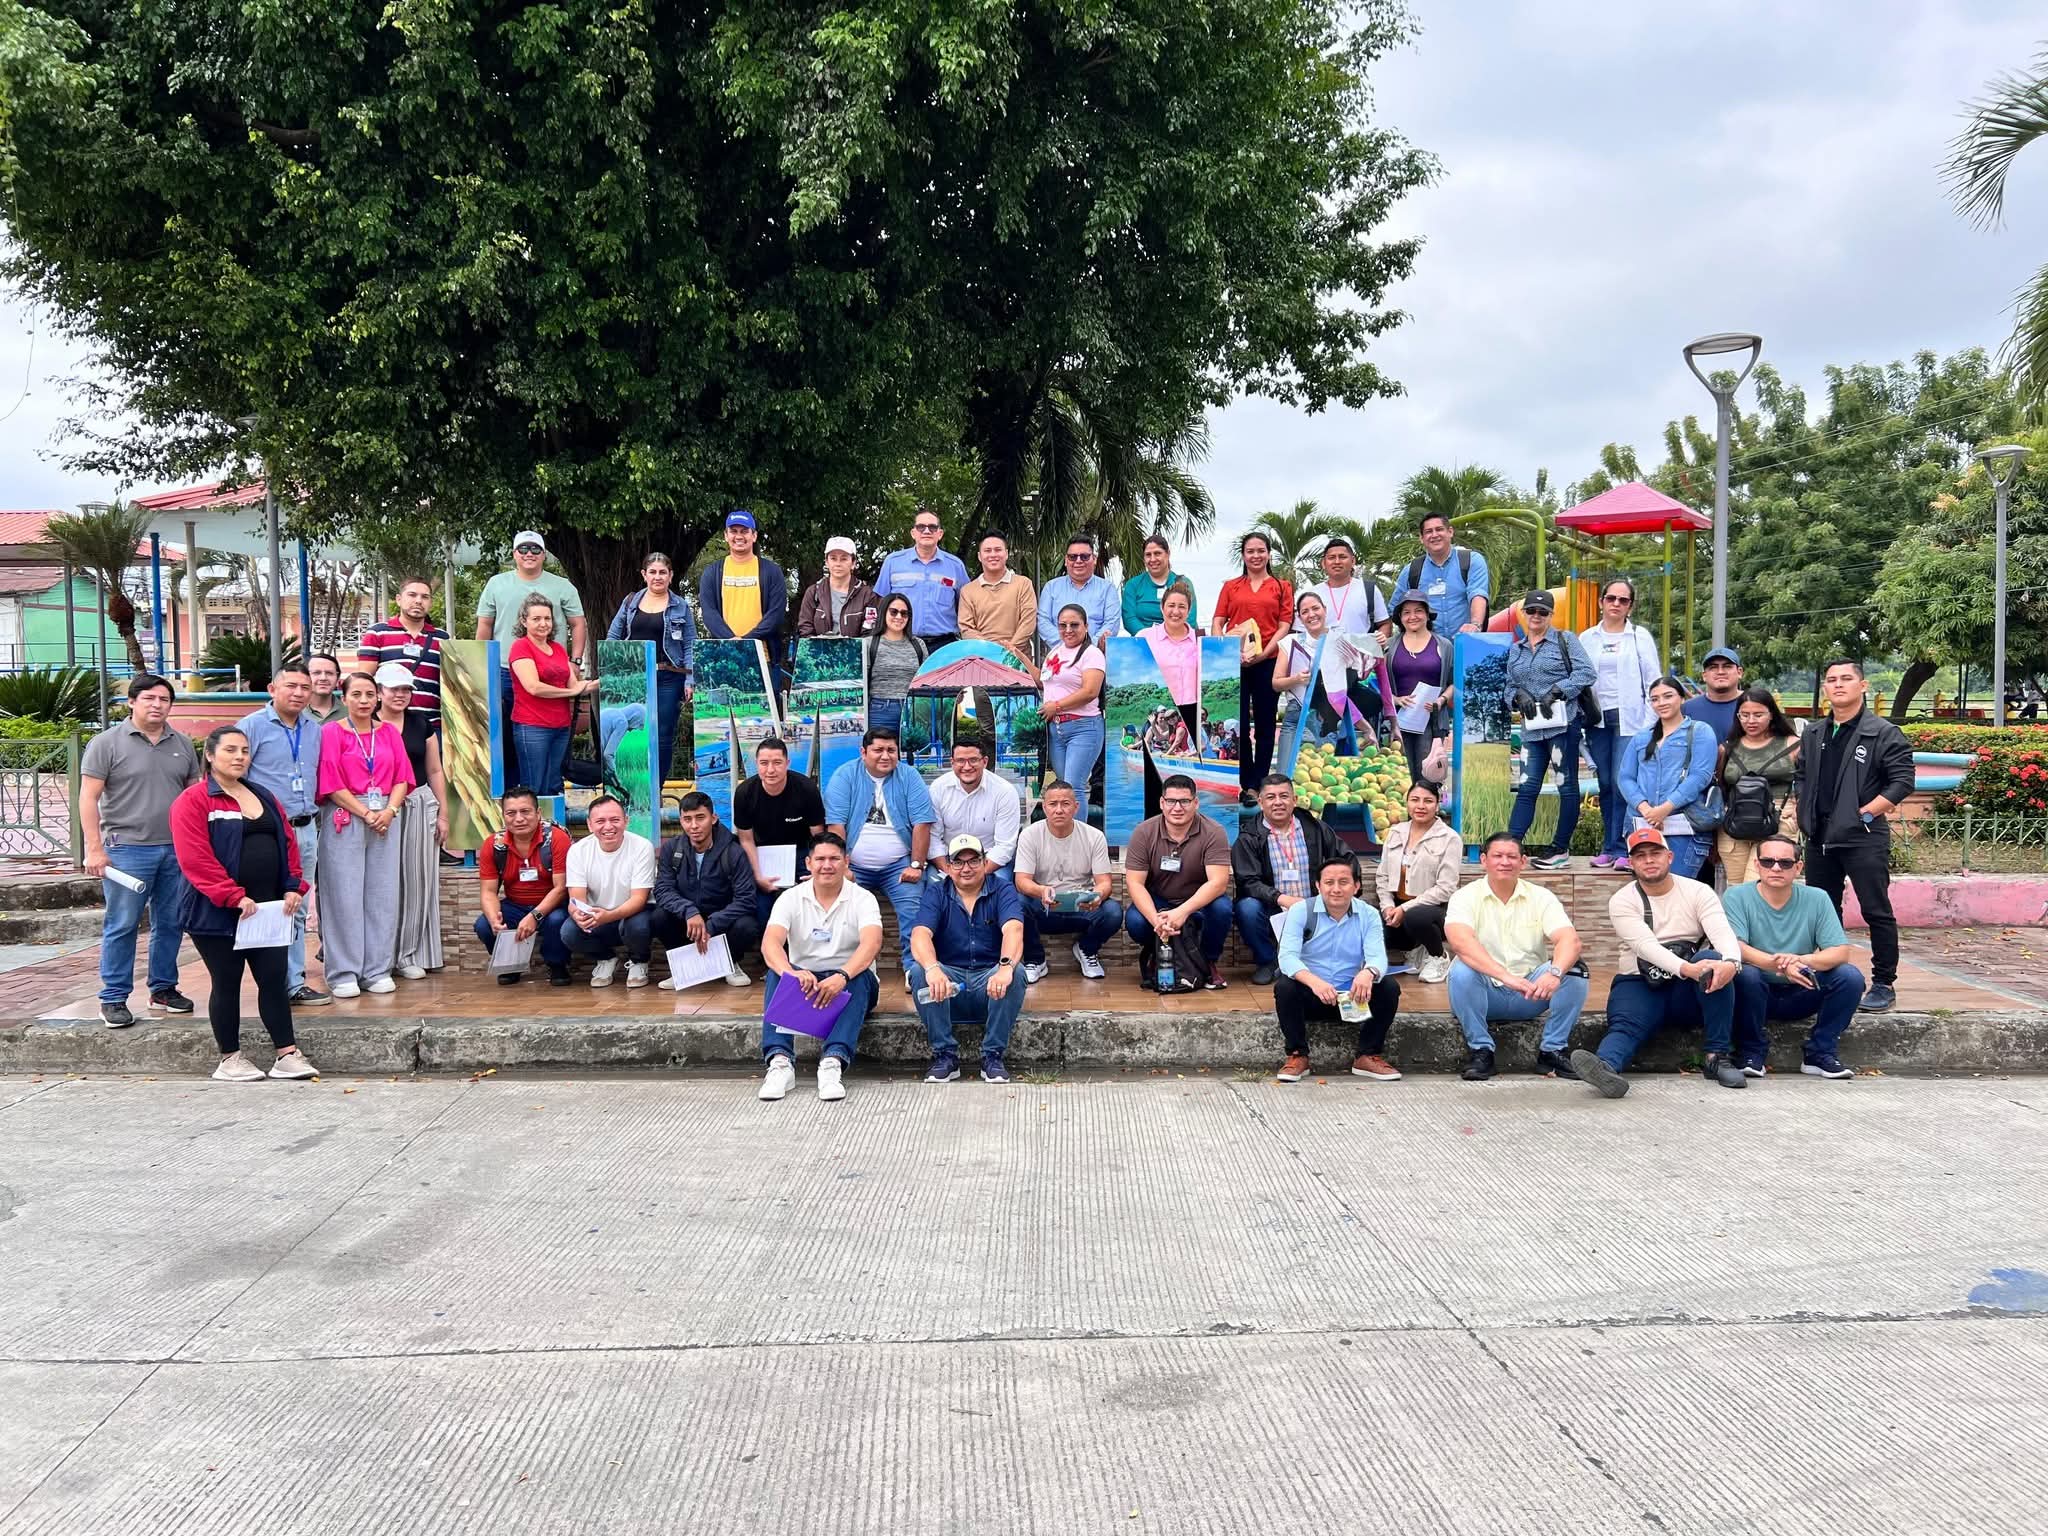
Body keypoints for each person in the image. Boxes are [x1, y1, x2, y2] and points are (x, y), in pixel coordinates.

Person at [168, 726, 317, 1082]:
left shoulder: (263, 795)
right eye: (230, 750)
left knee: (274, 979)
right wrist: (232, 895)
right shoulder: (193, 800)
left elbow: (287, 842)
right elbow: (195, 858)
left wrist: (293, 886)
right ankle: (230, 1058)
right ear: (210, 755)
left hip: (267, 911)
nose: (239, 757)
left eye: (245, 751)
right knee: (227, 981)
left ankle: (287, 1055)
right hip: (216, 912)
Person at [1569, 826, 1746, 1098]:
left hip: (1688, 987)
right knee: (1626, 1025)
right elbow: (1645, 946)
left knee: (1712, 961)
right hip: (1640, 981)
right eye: (1640, 856)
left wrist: (1732, 962)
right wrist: (1687, 969)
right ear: (1631, 863)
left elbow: (1721, 932)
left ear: (1670, 857)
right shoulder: (1622, 900)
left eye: (1655, 853)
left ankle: (1717, 1057)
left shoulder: (1698, 891)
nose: (1649, 860)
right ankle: (1605, 1068)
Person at [1795, 656, 1915, 1014]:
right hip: (1820, 837)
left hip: (1863, 836)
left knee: (1876, 910)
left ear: (1863, 685)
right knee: (1823, 910)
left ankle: (1883, 983)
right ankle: (1829, 976)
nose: (1838, 684)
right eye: (1831, 679)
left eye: (1846, 678)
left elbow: (1902, 781)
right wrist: (1803, 807)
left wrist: (1866, 812)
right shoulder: (1814, 733)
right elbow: (1801, 774)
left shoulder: (1882, 732)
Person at [80, 673, 200, 1027]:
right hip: (127, 850)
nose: (157, 705)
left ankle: (163, 988)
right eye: (149, 698)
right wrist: (94, 848)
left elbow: (193, 797)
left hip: (175, 850)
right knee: (123, 924)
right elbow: (88, 797)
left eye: (164, 699)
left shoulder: (182, 744)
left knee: (172, 923)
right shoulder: (107, 743)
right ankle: (113, 997)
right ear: (131, 702)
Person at [1443, 832, 1588, 1081]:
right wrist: (1505, 976)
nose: (1504, 862)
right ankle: (1481, 1051)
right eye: (1497, 856)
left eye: (1511, 856)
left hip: (1530, 992)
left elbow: (1570, 940)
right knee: (1462, 969)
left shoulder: (1541, 896)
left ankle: (1552, 1051)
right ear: (1484, 860)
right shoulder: (1464, 896)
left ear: (1523, 861)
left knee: (1575, 969)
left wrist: (1554, 973)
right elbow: (1460, 942)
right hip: (1484, 992)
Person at [1724, 835, 1864, 1080]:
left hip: (1802, 987)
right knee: (1745, 974)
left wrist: (1801, 961)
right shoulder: (1736, 896)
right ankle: (1751, 1052)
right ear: (1757, 865)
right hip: (1755, 993)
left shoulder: (1817, 898)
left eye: (1785, 863)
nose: (1776, 868)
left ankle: (1820, 1053)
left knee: (1850, 977)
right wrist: (1779, 965)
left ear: (1798, 867)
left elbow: (1840, 951)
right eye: (1767, 862)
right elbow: (1736, 947)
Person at [758, 832, 883, 1102]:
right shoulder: (790, 898)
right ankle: (780, 1063)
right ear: (808, 863)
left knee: (860, 975)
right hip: (805, 985)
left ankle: (832, 1063)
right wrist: (791, 973)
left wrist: (842, 975)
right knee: (776, 973)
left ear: (846, 862)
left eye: (834, 859)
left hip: (850, 985)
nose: (827, 865)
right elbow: (770, 944)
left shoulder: (863, 898)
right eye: (820, 859)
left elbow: (872, 944)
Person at [315, 671, 415, 998]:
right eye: (356, 694)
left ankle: (377, 969)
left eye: (370, 694)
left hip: (386, 814)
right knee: (343, 894)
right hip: (347, 813)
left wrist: (389, 811)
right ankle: (344, 971)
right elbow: (330, 781)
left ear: (378, 698)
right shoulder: (331, 732)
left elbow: (402, 777)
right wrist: (367, 813)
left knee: (383, 894)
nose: (363, 701)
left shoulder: (388, 732)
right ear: (344, 698)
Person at [236, 665, 328, 1007]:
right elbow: (234, 777)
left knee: (298, 905)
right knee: (267, 905)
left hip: (305, 828)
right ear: (273, 689)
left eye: (305, 687)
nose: (299, 693)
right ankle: (270, 982)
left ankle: (293, 982)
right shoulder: (251, 727)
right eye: (291, 686)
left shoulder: (314, 729)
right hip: (267, 831)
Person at [1272, 855, 1403, 1083]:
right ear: (1318, 885)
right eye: (1329, 882)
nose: (1336, 889)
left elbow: (1377, 957)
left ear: (1356, 886)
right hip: (1312, 995)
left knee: (1389, 987)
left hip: (1351, 998)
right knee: (1285, 986)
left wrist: (1368, 972)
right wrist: (1315, 982)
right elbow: (1287, 957)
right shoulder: (1300, 911)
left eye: (1343, 882)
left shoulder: (1369, 914)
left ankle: (1367, 1055)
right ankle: (1297, 1055)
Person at [909, 834, 1026, 1084]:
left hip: (990, 986)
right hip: (949, 988)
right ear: (949, 866)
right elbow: (920, 934)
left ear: (985, 862)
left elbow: (1014, 929)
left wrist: (1005, 968)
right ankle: (945, 1056)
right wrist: (932, 968)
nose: (966, 868)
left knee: (1016, 972)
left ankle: (993, 1056)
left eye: (973, 860)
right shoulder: (936, 892)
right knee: (919, 971)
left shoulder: (1002, 889)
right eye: (958, 862)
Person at [823, 725, 937, 973]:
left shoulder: (909, 777)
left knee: (913, 909)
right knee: (841, 909)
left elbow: (922, 823)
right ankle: (849, 969)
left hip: (899, 864)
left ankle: (914, 970)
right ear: (863, 752)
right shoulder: (845, 776)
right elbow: (836, 825)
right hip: (853, 864)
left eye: (891, 750)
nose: (886, 756)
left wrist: (916, 865)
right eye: (878, 750)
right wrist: (842, 867)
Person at [476, 531, 588, 779]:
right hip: (503, 670)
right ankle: (511, 792)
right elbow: (485, 625)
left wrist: (575, 661)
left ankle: (539, 789)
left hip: (550, 671)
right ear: (514, 554)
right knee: (502, 736)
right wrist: (480, 665)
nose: (529, 554)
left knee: (548, 736)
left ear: (544, 554)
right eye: (523, 548)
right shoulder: (496, 583)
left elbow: (578, 623)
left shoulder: (562, 586)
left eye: (535, 549)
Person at [1505, 589, 1596, 870]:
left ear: (1551, 615)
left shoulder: (1565, 640)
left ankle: (1560, 848)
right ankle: (1510, 846)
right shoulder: (1516, 649)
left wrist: (1558, 690)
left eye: (1542, 612)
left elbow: (1587, 672)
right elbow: (1508, 685)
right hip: (1532, 729)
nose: (1536, 616)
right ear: (1524, 613)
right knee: (1526, 787)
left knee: (1566, 786)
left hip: (1562, 727)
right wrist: (1516, 696)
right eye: (1531, 610)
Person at [1231, 774, 1347, 986]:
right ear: (1260, 802)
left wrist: (1337, 890)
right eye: (1271, 797)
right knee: (1246, 908)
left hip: (1313, 905)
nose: (1278, 802)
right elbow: (1248, 882)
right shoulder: (1249, 837)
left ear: (1294, 800)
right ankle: (1268, 961)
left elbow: (1345, 858)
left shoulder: (1315, 828)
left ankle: (1320, 959)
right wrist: (1282, 899)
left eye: (1284, 796)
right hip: (1273, 908)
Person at [1578, 578, 1661, 869]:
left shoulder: (1639, 637)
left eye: (1623, 600)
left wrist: (1648, 725)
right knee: (1604, 783)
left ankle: (1627, 847)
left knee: (1622, 782)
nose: (1616, 604)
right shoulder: (1587, 637)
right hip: (1597, 720)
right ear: (1601, 601)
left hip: (1631, 721)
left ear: (1630, 606)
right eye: (1611, 598)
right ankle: (1609, 847)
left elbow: (1653, 682)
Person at [1124, 773, 1235, 992]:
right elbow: (1135, 883)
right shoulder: (1144, 832)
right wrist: (1157, 920)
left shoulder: (1214, 832)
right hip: (1159, 900)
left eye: (1184, 801)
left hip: (1198, 901)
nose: (1177, 808)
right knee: (1135, 920)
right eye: (1171, 801)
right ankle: (1157, 954)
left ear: (1196, 803)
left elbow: (1218, 883)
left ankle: (1207, 962)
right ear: (1161, 803)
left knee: (1222, 908)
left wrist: (1182, 912)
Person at [373, 662, 448, 981]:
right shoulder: (367, 723)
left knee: (417, 881)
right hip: (377, 808)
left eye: (406, 689)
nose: (400, 695)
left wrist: (444, 813)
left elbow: (435, 770)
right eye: (394, 689)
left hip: (418, 803)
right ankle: (378, 956)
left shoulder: (421, 724)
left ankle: (407, 954)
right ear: (379, 692)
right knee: (380, 882)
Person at [1211, 531, 1293, 804]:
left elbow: (1284, 626)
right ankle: (1245, 782)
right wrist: (1225, 650)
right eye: (1250, 551)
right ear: (1243, 555)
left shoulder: (1282, 587)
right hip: (1236, 663)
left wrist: (1264, 653)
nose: (1256, 556)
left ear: (1268, 554)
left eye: (1261, 550)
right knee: (1239, 725)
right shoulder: (1231, 586)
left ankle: (1261, 783)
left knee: (1266, 723)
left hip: (1268, 662)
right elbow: (1218, 621)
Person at [1012, 779, 1121, 982]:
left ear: (1076, 807)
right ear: (1044, 807)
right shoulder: (1030, 835)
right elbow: (1021, 881)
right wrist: (1041, 891)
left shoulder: (1094, 836)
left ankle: (1087, 949)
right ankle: (1035, 960)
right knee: (1017, 903)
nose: (1059, 810)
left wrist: (1097, 895)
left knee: (1113, 911)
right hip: (1044, 906)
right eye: (1053, 804)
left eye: (1065, 804)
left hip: (1082, 906)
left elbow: (1105, 882)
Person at [604, 550, 696, 787]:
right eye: (652, 572)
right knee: (630, 732)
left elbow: (689, 644)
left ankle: (656, 789)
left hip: (669, 677)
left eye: (662, 572)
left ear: (670, 575)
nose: (657, 577)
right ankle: (629, 787)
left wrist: (690, 680)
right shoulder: (630, 602)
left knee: (662, 734)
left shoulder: (681, 606)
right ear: (644, 575)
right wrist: (612, 671)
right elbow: (613, 636)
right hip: (634, 677)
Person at [651, 791, 758, 988]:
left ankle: (730, 962)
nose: (694, 826)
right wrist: (689, 911)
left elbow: (746, 899)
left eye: (700, 818)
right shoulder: (672, 849)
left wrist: (712, 924)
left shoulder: (733, 851)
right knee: (659, 917)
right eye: (687, 819)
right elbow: (663, 889)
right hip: (688, 920)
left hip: (722, 920)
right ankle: (684, 966)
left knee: (748, 925)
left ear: (713, 818)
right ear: (681, 821)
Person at [1618, 676, 1719, 881]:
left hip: (1683, 825)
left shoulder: (1700, 731)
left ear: (1682, 698)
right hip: (1641, 823)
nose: (1661, 703)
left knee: (1678, 889)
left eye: (1668, 696)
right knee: (1648, 889)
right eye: (1655, 699)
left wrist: (1664, 809)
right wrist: (1646, 810)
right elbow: (1625, 777)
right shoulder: (1642, 737)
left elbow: (1700, 776)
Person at [475, 787, 573, 986]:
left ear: (538, 813)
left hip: (553, 904)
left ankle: (557, 965)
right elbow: (488, 892)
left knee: (557, 920)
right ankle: (511, 965)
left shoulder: (556, 839)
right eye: (511, 813)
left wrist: (534, 916)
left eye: (525, 811)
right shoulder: (494, 845)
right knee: (484, 925)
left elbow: (561, 888)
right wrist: (494, 919)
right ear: (503, 816)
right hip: (515, 904)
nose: (518, 819)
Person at [1274, 591, 1390, 754]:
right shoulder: (1290, 642)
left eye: (1315, 608)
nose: (1311, 614)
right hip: (1301, 713)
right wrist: (1296, 679)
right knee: (1290, 767)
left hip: (1342, 715)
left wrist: (1378, 642)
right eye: (1305, 612)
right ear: (1299, 618)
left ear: (1325, 609)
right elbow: (1276, 683)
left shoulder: (1342, 640)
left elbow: (1375, 661)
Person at [508, 591, 599, 795]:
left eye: (547, 618)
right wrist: (571, 691)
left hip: (561, 727)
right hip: (532, 726)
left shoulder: (557, 648)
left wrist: (605, 682)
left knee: (555, 784)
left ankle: (556, 817)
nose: (543, 624)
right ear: (524, 621)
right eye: (536, 619)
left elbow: (575, 686)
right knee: (534, 785)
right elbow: (533, 687)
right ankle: (533, 817)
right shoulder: (520, 647)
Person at [562, 794, 658, 987]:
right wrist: (578, 914)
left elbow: (639, 899)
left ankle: (639, 960)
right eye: (600, 821)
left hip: (634, 912)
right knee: (569, 932)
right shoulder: (578, 851)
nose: (608, 827)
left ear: (626, 821)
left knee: (638, 926)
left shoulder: (642, 847)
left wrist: (609, 916)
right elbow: (576, 899)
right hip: (597, 914)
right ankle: (606, 958)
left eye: (615, 820)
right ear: (589, 825)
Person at [733, 737, 826, 934]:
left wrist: (816, 868)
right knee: (761, 908)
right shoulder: (744, 793)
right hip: (761, 852)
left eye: (777, 763)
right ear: (756, 764)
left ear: (787, 763)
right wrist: (757, 874)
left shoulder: (806, 789)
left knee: (807, 899)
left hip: (801, 850)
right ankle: (768, 947)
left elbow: (818, 837)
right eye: (764, 763)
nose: (770, 770)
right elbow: (746, 840)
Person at [1714, 687, 1801, 885]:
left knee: (1761, 884)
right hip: (1734, 822)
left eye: (1758, 714)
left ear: (1772, 714)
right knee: (1736, 887)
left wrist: (1799, 809)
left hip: (1778, 817)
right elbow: (1720, 785)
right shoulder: (1727, 748)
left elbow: (1809, 782)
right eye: (1744, 715)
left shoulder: (1793, 745)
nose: (1751, 721)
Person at [1375, 781, 1460, 983]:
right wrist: (1387, 907)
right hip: (1397, 905)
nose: (1421, 806)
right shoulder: (1396, 832)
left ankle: (1439, 957)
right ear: (1407, 803)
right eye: (1415, 800)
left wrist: (1405, 908)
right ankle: (1415, 950)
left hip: (1434, 910)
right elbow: (1382, 876)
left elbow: (1446, 888)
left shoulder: (1449, 838)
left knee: (1416, 917)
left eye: (1428, 801)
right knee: (1371, 924)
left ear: (1437, 805)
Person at [698, 509, 791, 675]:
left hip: (763, 657)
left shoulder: (771, 571)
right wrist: (731, 641)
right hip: (724, 657)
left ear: (754, 536)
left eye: (744, 531)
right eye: (733, 531)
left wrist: (747, 642)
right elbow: (709, 613)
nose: (739, 536)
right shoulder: (712, 573)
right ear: (726, 536)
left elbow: (776, 614)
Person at [355, 576, 449, 727]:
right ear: (399, 599)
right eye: (412, 595)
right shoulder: (378, 633)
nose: (418, 601)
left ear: (430, 603)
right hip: (386, 725)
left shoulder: (443, 638)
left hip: (431, 725)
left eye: (425, 597)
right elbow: (364, 680)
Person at [1041, 604, 1108, 807]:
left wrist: (1056, 706)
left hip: (1084, 727)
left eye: (1074, 625)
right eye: (1063, 625)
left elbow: (1090, 692)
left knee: (1073, 788)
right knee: (1064, 789)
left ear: (1086, 626)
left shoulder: (1092, 653)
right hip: (1056, 729)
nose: (1068, 630)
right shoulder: (1055, 652)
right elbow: (1043, 681)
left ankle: (1078, 829)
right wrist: (1020, 656)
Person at [874, 506, 969, 648]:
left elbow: (966, 605)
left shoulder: (955, 566)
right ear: (913, 533)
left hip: (944, 645)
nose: (926, 531)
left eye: (932, 527)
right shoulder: (892, 562)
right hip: (903, 643)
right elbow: (881, 602)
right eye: (921, 527)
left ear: (940, 534)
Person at [1387, 589, 1454, 788]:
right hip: (1398, 722)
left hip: (1431, 722)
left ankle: (1431, 808)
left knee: (1428, 780)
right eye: (1406, 612)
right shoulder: (1389, 646)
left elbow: (1455, 682)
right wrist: (1395, 699)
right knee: (1400, 780)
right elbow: (1376, 682)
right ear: (1400, 617)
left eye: (1418, 611)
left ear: (1427, 614)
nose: (1412, 616)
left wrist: (1441, 700)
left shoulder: (1444, 646)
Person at [929, 738, 1021, 880]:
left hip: (988, 860)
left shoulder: (1005, 792)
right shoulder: (938, 788)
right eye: (960, 761)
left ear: (985, 762)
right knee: (934, 887)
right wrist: (950, 871)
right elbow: (933, 838)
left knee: (997, 887)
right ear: (952, 762)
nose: (967, 767)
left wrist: (975, 875)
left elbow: (1005, 846)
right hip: (949, 860)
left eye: (973, 760)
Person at [1136, 580, 1204, 747]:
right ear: (1162, 607)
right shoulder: (1145, 637)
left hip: (1192, 714)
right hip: (1166, 712)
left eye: (1182, 606)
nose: (1176, 611)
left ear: (1189, 610)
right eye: (1171, 605)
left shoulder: (1201, 639)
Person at [1400, 512, 1491, 636]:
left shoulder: (1471, 561)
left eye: (1439, 529)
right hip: (1427, 646)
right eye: (1428, 531)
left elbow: (1477, 594)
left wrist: (1475, 625)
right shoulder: (1411, 571)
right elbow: (1395, 608)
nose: (1434, 535)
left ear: (1450, 532)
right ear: (1421, 538)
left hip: (1466, 641)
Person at [957, 530, 1038, 666]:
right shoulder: (968, 590)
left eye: (998, 550)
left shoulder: (1023, 584)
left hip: (1018, 660)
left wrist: (1009, 650)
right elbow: (966, 628)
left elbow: (1028, 622)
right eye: (987, 551)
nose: (993, 555)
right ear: (979, 556)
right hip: (982, 660)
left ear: (1006, 554)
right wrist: (990, 651)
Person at [1035, 534, 1118, 651]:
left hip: (1096, 655)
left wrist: (1088, 648)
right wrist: (1066, 645)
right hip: (1059, 654)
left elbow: (1112, 623)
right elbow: (1043, 621)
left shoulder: (1108, 589)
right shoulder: (1051, 588)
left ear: (1094, 559)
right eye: (1073, 557)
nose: (1078, 561)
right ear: (1066, 560)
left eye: (1084, 557)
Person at [1303, 535, 1392, 644]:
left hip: (1361, 652)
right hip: (1322, 652)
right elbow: (1301, 631)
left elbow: (1385, 624)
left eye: (1342, 557)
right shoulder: (1312, 594)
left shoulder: (1369, 590)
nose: (1337, 561)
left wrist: (1377, 643)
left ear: (1353, 561)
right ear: (1323, 563)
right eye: (1331, 557)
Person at [863, 595, 926, 736]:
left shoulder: (919, 644)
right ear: (883, 612)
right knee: (880, 749)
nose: (899, 617)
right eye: (893, 612)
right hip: (879, 710)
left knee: (913, 750)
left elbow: (927, 680)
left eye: (904, 613)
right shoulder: (869, 644)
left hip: (913, 709)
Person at [796, 535, 879, 638]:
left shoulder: (867, 595)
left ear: (853, 563)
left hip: (855, 648)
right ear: (827, 562)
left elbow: (869, 631)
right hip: (819, 648)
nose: (838, 564)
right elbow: (805, 628)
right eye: (833, 558)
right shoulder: (813, 592)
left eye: (844, 559)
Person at [1121, 535, 1200, 634]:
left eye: (1157, 553)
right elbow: (1129, 619)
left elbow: (1190, 620)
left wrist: (1167, 639)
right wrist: (1151, 637)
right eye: (1148, 555)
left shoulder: (1184, 583)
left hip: (1178, 640)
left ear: (1168, 554)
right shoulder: (1133, 585)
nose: (1153, 559)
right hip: (1142, 639)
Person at [1682, 646, 1745, 742]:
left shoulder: (1756, 704)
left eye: (1727, 666)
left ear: (1739, 672)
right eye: (1713, 667)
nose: (1720, 672)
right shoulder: (1687, 709)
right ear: (1704, 675)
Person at [305, 653, 345, 724]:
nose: (323, 678)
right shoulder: (294, 712)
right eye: (316, 673)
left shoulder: (350, 713)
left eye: (329, 673)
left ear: (337, 678)